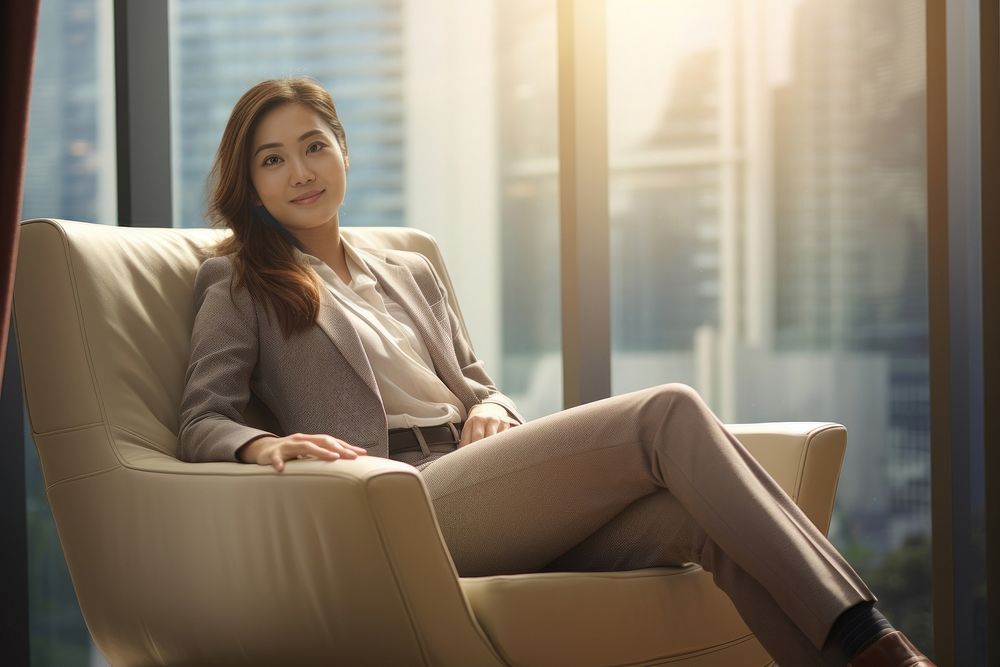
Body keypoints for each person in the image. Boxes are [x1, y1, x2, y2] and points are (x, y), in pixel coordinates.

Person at [178, 77, 934, 667]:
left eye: (313, 146)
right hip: (396, 503)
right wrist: (260, 445)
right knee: (665, 411)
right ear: (250, 185)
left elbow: (477, 381)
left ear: (343, 148)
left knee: (701, 525)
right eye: (271, 160)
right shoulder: (241, 281)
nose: (299, 172)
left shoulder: (410, 270)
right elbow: (201, 417)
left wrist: (495, 408)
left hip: (479, 477)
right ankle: (877, 641)